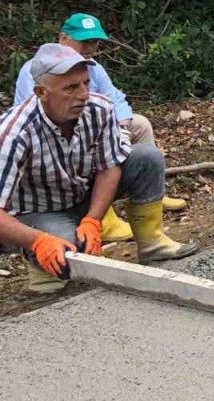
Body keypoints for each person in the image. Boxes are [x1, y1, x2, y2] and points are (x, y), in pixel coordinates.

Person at [0, 44, 198, 293]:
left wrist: (93, 220)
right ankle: (43, 267)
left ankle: (152, 243)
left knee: (146, 157)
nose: (83, 94)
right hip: (38, 213)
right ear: (41, 92)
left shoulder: (99, 109)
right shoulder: (14, 132)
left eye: (85, 83)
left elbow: (109, 167)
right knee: (69, 253)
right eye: (71, 88)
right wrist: (38, 241)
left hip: (81, 196)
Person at [13, 13, 188, 246]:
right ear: (63, 38)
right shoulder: (37, 75)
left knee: (141, 132)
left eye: (94, 42)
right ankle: (94, 222)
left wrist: (120, 127)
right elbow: (44, 115)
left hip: (90, 133)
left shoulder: (93, 69)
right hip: (48, 160)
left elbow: (115, 99)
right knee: (66, 248)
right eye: (84, 41)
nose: (90, 47)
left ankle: (148, 210)